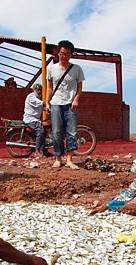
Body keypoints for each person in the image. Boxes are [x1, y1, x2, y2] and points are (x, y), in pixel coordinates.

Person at [46, 40, 85, 170]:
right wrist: (47, 101)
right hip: (56, 103)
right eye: (62, 53)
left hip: (70, 104)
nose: (64, 56)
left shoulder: (77, 69)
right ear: (58, 53)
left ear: (71, 55)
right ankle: (58, 158)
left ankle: (69, 159)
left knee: (72, 132)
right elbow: (50, 88)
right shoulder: (51, 68)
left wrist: (76, 99)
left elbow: (80, 87)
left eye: (67, 54)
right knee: (56, 132)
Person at [23, 83, 45, 157]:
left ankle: (44, 151)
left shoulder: (38, 98)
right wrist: (48, 103)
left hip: (36, 119)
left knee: (45, 130)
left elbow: (43, 108)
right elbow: (40, 103)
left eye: (40, 90)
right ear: (34, 89)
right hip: (30, 119)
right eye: (37, 90)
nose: (39, 91)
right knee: (40, 131)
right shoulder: (31, 96)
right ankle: (37, 151)